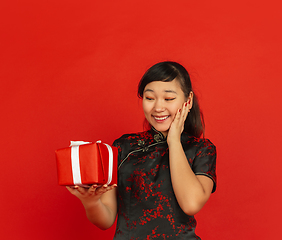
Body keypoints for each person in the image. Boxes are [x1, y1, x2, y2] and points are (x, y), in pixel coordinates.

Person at [67, 61, 217, 239]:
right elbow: (105, 220)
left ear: (188, 100)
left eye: (168, 99)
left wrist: (174, 141)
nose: (158, 108)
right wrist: (90, 202)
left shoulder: (201, 149)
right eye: (150, 98)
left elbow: (191, 204)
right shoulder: (124, 146)